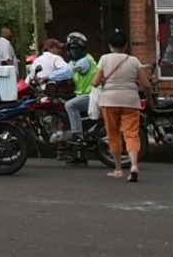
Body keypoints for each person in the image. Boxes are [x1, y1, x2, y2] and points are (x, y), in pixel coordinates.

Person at [92, 28, 152, 181]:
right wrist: (149, 98)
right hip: (131, 100)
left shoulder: (104, 59)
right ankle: (133, 165)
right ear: (126, 45)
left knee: (113, 134)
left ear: (110, 45)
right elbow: (146, 84)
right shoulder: (134, 61)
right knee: (131, 134)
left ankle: (118, 169)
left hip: (109, 101)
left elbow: (95, 82)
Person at [62, 32, 99, 165]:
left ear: (83, 49)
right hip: (82, 95)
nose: (74, 51)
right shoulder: (73, 62)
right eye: (72, 49)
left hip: (91, 96)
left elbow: (67, 72)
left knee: (70, 105)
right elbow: (64, 70)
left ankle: (77, 136)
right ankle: (79, 155)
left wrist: (48, 77)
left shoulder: (85, 62)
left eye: (77, 48)